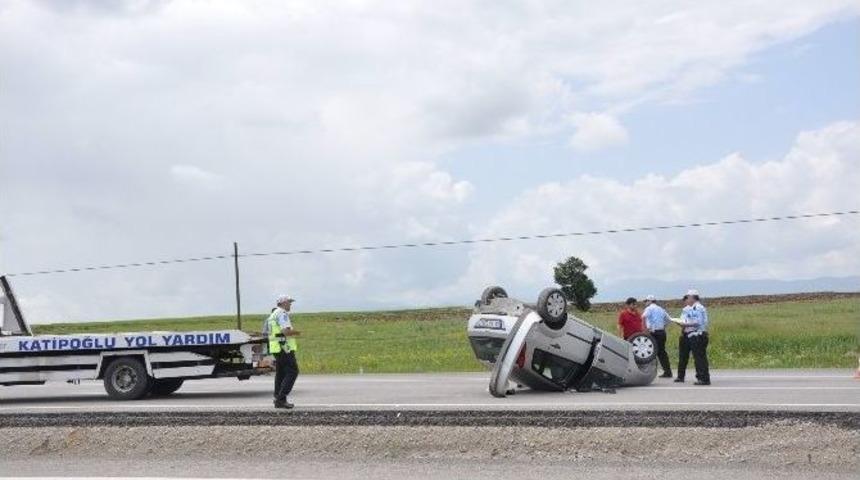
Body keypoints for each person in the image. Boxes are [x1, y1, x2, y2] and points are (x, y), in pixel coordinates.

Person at [267, 294, 301, 408]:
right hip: (283, 347)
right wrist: (297, 332)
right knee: (292, 371)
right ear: (282, 303)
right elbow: (285, 332)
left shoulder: (273, 314)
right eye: (289, 302)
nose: (290, 304)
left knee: (281, 373)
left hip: (276, 347)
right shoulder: (282, 313)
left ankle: (277, 397)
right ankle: (281, 399)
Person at [675, 289, 710, 385]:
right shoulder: (688, 308)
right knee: (687, 356)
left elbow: (697, 322)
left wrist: (686, 324)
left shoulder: (698, 308)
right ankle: (683, 376)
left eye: (688, 297)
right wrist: (681, 323)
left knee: (699, 358)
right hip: (689, 334)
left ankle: (703, 378)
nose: (687, 299)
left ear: (692, 297)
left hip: (697, 334)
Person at [642, 295, 672, 378]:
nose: (645, 303)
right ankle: (668, 371)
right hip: (662, 332)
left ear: (650, 301)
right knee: (662, 352)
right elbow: (669, 320)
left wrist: (645, 331)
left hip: (653, 332)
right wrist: (663, 326)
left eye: (646, 301)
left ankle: (648, 372)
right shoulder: (661, 309)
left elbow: (643, 317)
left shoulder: (649, 308)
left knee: (650, 352)